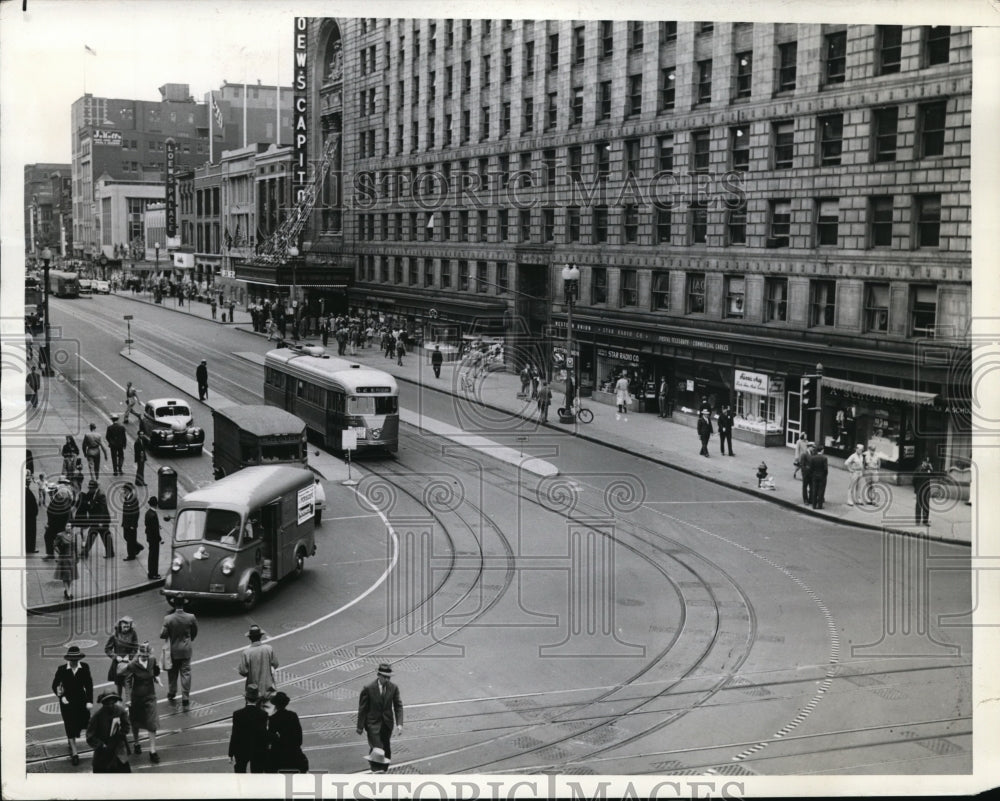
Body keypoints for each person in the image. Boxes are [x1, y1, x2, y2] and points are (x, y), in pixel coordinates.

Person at [52, 645, 93, 766]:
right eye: (72, 659)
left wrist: (89, 701)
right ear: (68, 659)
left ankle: (94, 744)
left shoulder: (85, 667)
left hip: (81, 701)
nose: (74, 661)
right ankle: (75, 753)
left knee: (85, 723)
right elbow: (55, 685)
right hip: (67, 702)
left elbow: (89, 685)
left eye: (76, 659)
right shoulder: (62, 669)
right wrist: (61, 696)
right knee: (70, 726)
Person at [356, 663, 403, 768]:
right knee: (378, 748)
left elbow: (398, 706)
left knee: (386, 748)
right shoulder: (368, 688)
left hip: (387, 724)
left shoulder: (393, 688)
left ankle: (383, 769)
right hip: (373, 724)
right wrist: (360, 727)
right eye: (385, 677)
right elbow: (362, 709)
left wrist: (399, 724)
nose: (387, 680)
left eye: (389, 677)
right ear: (379, 675)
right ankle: (376, 769)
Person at [123, 642, 162, 763]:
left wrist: (156, 678)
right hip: (137, 698)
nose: (144, 657)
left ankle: (152, 751)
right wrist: (128, 699)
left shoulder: (152, 660)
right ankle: (136, 742)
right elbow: (128, 682)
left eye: (146, 655)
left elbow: (155, 672)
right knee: (136, 722)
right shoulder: (132, 665)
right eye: (142, 655)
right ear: (139, 654)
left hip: (150, 696)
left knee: (152, 722)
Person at [161, 595, 198, 709]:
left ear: (174, 604)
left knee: (172, 672)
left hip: (173, 650)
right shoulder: (191, 617)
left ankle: (172, 692)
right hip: (186, 649)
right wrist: (189, 639)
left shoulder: (168, 619)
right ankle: (185, 696)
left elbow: (163, 634)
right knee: (186, 672)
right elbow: (194, 631)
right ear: (184, 604)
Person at [86, 690, 131, 773]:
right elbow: (90, 737)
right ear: (103, 703)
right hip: (103, 752)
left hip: (119, 750)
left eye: (112, 702)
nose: (110, 705)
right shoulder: (97, 716)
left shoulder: (121, 711)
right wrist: (101, 745)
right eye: (107, 703)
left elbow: (126, 726)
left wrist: (119, 734)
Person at [229, 684, 268, 773]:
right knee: (257, 774)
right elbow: (263, 734)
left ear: (246, 698)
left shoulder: (237, 714)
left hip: (241, 749)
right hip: (257, 749)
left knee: (240, 773)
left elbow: (235, 734)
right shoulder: (263, 714)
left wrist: (231, 753)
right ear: (258, 699)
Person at [266, 691, 307, 773]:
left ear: (276, 705)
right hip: (294, 753)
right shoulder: (293, 715)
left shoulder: (273, 719)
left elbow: (271, 738)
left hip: (279, 755)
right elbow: (299, 737)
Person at [238, 624, 279, 696]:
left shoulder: (246, 652)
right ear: (260, 636)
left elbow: (243, 671)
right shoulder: (268, 648)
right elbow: (275, 664)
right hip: (268, 688)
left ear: (250, 638)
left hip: (254, 690)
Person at [105, 615, 140, 700]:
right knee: (119, 685)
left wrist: (129, 656)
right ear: (120, 625)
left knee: (128, 684)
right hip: (118, 664)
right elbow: (107, 649)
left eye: (128, 626)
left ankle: (129, 703)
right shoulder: (114, 635)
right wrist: (116, 657)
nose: (126, 628)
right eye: (124, 626)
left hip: (129, 663)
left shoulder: (133, 633)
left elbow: (135, 647)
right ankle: (119, 702)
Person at [79, 479, 114, 559]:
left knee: (97, 535)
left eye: (91, 488)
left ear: (95, 488)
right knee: (102, 535)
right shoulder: (92, 493)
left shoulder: (101, 495)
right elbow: (87, 500)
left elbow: (102, 509)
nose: (89, 489)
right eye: (89, 488)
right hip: (96, 519)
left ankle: (85, 553)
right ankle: (110, 553)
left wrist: (100, 521)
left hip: (101, 520)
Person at [44, 481, 75, 559]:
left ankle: (61, 556)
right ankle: (52, 554)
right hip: (56, 523)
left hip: (60, 524)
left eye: (50, 492)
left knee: (59, 539)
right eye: (49, 492)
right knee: (49, 537)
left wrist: (66, 526)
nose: (49, 494)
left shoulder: (59, 498)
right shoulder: (56, 497)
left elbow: (64, 512)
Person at [54, 523, 80, 599]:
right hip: (64, 557)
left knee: (71, 576)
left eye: (70, 526)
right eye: (68, 526)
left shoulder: (74, 535)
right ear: (65, 527)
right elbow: (54, 545)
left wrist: (77, 557)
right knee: (65, 576)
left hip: (72, 558)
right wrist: (59, 553)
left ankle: (68, 591)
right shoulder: (60, 535)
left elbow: (75, 547)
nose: (69, 528)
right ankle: (68, 592)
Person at [121, 483, 143, 560]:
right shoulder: (127, 498)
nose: (123, 492)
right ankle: (138, 547)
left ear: (128, 491)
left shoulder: (133, 499)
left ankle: (131, 556)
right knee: (126, 537)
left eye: (125, 490)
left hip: (131, 524)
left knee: (130, 540)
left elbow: (136, 513)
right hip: (126, 523)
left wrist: (133, 525)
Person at [913, 455, 936, 525]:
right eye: (926, 462)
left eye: (928, 462)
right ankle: (917, 521)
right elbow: (914, 480)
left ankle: (925, 521)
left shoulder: (929, 470)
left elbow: (934, 476)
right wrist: (916, 489)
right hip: (919, 490)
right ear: (923, 462)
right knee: (919, 506)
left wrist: (931, 469)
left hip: (926, 491)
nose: (927, 463)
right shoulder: (918, 469)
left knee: (926, 506)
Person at [145, 495, 163, 580]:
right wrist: (160, 538)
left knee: (151, 556)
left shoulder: (148, 513)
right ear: (156, 504)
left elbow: (148, 525)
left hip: (149, 537)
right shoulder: (153, 515)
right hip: (154, 539)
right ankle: (154, 573)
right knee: (154, 557)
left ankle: (150, 572)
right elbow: (155, 530)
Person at [26, 475, 39, 554]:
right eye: (28, 481)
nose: (29, 482)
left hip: (29, 516)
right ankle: (30, 548)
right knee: (31, 533)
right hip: (30, 517)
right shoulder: (27, 491)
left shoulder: (26, 490)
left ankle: (29, 547)